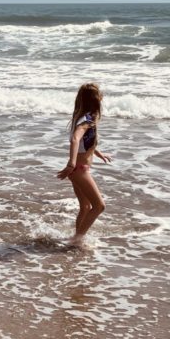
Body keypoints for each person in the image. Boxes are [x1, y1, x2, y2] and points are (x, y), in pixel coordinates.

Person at [57, 82, 110, 246]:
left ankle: (76, 237)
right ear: (96, 100)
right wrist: (71, 164)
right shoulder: (87, 119)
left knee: (86, 207)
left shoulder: (81, 117)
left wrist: (99, 153)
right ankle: (77, 239)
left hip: (78, 170)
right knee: (99, 206)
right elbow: (75, 139)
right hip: (79, 170)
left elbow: (85, 143)